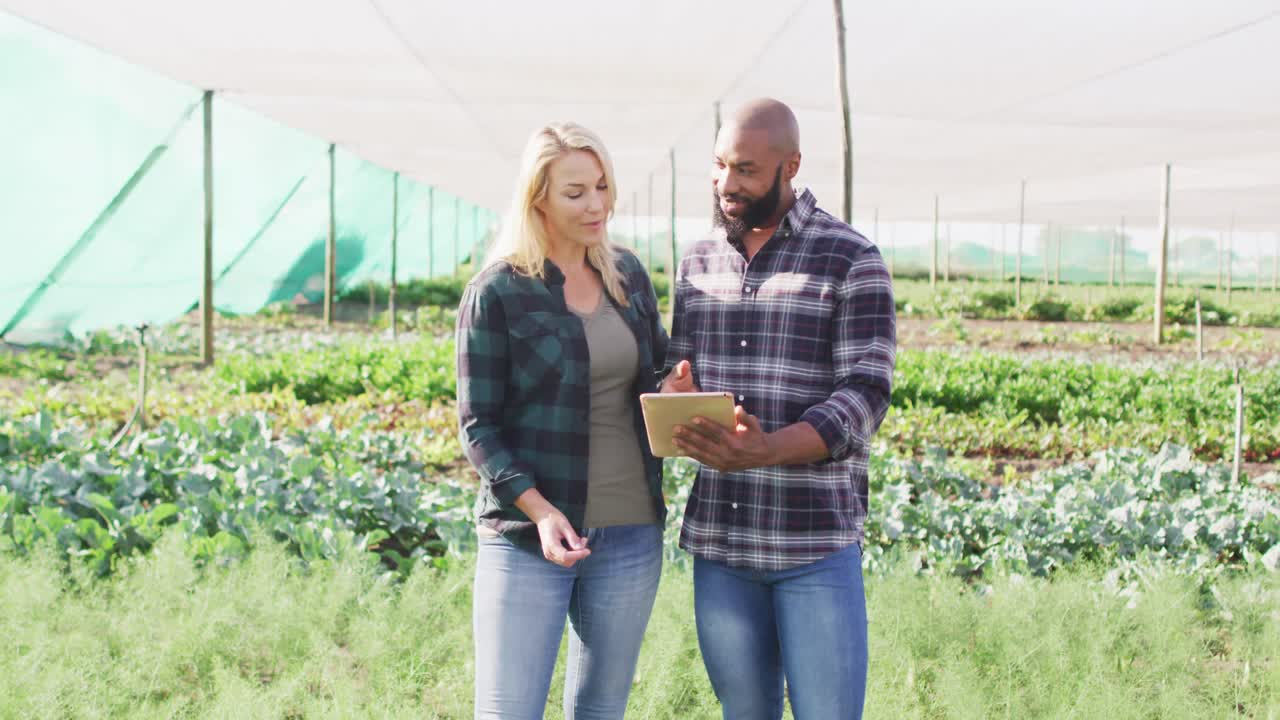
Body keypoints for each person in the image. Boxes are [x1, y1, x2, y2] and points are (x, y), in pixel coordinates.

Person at [660, 98, 896, 719]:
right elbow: (678, 366)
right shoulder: (698, 260)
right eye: (719, 166)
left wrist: (768, 448)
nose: (726, 184)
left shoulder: (850, 258)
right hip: (723, 541)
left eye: (746, 170)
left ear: (790, 166)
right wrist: (674, 392)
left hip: (811, 542)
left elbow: (865, 394)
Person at [455, 122, 669, 719]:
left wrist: (672, 389)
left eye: (602, 186)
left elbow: (654, 372)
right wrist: (543, 513)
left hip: (630, 530)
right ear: (538, 198)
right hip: (529, 538)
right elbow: (478, 425)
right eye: (575, 192)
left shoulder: (628, 276)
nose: (596, 204)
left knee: (601, 710)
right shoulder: (497, 292)